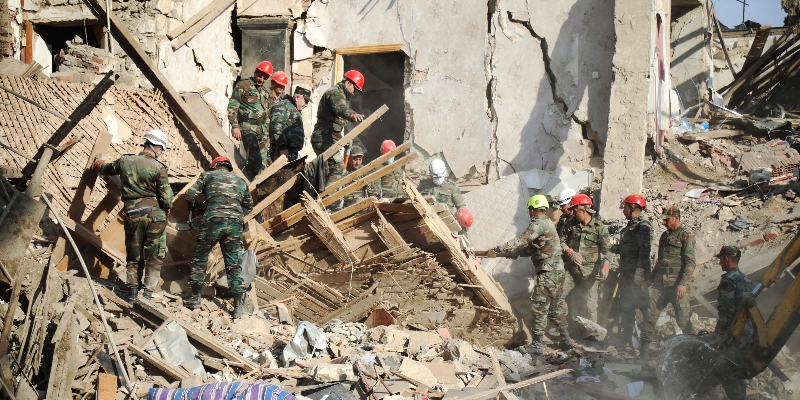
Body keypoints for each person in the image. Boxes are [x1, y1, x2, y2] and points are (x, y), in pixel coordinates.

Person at [92, 130, 173, 303]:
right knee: (154, 255)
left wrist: (98, 163)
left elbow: (105, 169)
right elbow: (167, 198)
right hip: (155, 217)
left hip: (133, 214)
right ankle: (148, 295)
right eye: (162, 149)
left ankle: (132, 294)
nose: (161, 152)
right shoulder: (159, 168)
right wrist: (166, 209)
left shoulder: (125, 161)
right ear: (157, 147)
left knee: (134, 255)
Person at [485, 195, 572, 354]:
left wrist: (498, 249)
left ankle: (537, 345)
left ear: (533, 210)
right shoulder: (547, 224)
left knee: (539, 306)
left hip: (548, 272)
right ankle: (566, 340)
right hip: (557, 271)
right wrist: (516, 253)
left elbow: (522, 239)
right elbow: (532, 249)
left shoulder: (539, 224)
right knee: (555, 307)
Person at [184, 156, 254, 318]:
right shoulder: (241, 181)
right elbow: (249, 206)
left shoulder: (207, 176)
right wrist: (234, 215)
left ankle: (195, 299)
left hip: (212, 221)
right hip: (235, 224)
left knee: (200, 259)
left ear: (214, 167)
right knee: (234, 264)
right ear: (229, 167)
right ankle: (238, 308)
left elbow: (189, 195)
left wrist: (198, 208)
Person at [641, 205, 696, 361]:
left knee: (683, 320)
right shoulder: (664, 237)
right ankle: (643, 353)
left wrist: (683, 283)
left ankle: (693, 351)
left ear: (676, 218)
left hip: (677, 286)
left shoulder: (686, 236)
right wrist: (650, 279)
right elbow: (659, 262)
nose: (664, 223)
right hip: (660, 285)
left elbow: (690, 262)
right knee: (650, 316)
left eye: (666, 219)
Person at [562, 194, 610, 324]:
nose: (572, 213)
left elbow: (608, 251)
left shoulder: (600, 228)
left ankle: (592, 335)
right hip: (571, 271)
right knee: (560, 297)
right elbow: (560, 241)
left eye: (575, 210)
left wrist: (605, 267)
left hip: (590, 274)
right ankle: (567, 332)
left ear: (583, 211)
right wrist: (569, 250)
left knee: (590, 305)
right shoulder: (570, 224)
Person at [612, 194, 653, 347]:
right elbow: (627, 248)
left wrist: (639, 274)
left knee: (644, 307)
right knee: (626, 307)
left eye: (625, 207)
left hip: (637, 274)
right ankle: (625, 340)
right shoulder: (631, 226)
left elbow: (644, 251)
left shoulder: (642, 226)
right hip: (628, 273)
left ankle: (647, 341)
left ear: (632, 207)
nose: (623, 210)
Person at [714, 245, 754, 399]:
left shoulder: (728, 280)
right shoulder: (746, 279)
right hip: (747, 334)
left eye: (720, 260)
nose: (719, 263)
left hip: (734, 334)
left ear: (726, 258)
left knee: (727, 372)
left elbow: (726, 311)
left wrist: (718, 336)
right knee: (738, 373)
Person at [311, 70, 366, 176]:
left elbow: (337, 121)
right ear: (348, 83)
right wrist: (353, 115)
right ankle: (329, 193)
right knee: (338, 170)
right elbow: (341, 108)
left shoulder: (344, 96)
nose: (355, 93)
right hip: (323, 139)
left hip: (329, 138)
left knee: (329, 172)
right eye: (355, 89)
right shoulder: (335, 92)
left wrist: (342, 139)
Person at [227, 60, 273, 180]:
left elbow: (267, 116)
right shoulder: (244, 84)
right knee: (255, 157)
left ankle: (258, 186)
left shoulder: (264, 92)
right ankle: (248, 183)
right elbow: (233, 105)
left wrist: (267, 136)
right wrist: (235, 126)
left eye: (264, 78)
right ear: (255, 72)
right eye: (259, 76)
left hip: (262, 131)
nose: (261, 80)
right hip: (248, 128)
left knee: (263, 163)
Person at [269, 86, 311, 162]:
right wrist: (282, 148)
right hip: (282, 152)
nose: (306, 104)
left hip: (290, 152)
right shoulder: (284, 106)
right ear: (297, 98)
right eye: (306, 101)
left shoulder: (294, 108)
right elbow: (276, 128)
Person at [331, 145, 378, 209]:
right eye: (355, 160)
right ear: (349, 158)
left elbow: (372, 191)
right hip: (346, 206)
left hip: (362, 204)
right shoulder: (343, 171)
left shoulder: (364, 171)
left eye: (360, 160)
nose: (358, 163)